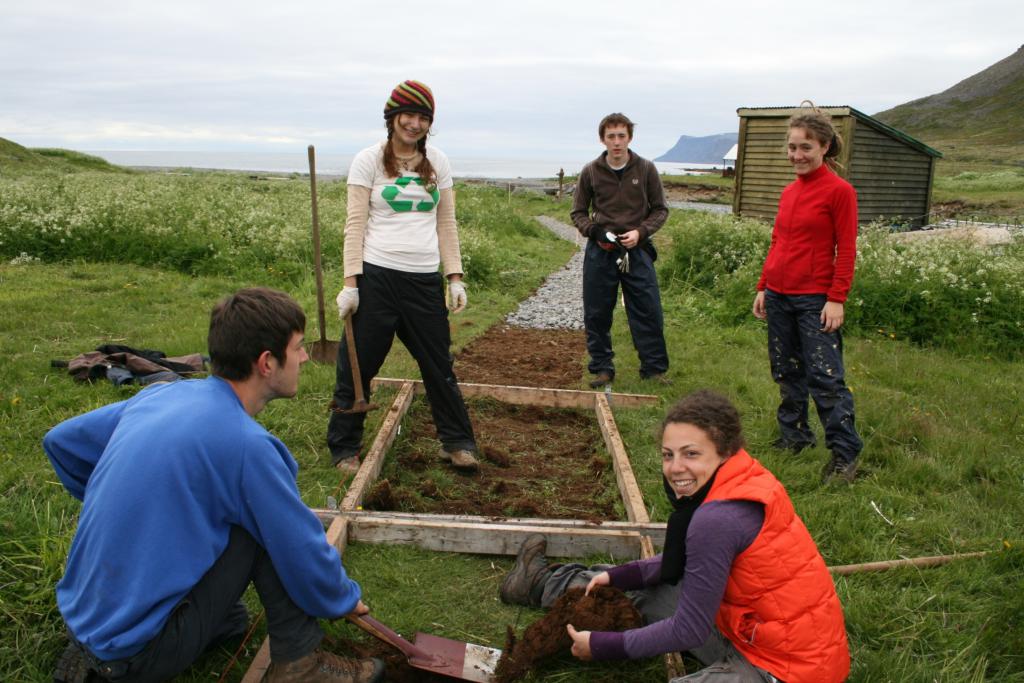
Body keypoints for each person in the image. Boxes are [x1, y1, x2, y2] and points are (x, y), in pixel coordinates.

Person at [46, 288, 384, 683]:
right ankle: (301, 666)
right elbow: (298, 545)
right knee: (263, 526)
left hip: (84, 620)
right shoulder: (247, 447)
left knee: (243, 522)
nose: (305, 357)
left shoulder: (162, 395)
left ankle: (214, 621)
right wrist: (341, 598)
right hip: (135, 653)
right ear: (267, 362)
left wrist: (131, 506)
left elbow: (62, 443)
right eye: (297, 348)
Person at [499, 390, 850, 683]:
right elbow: (682, 564)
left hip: (787, 669)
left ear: (724, 450)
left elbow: (689, 629)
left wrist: (603, 646)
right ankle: (537, 583)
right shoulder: (741, 477)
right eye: (668, 455)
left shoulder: (719, 518)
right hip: (750, 629)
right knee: (643, 590)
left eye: (691, 454)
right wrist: (618, 577)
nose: (675, 468)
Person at [329, 79, 479, 473]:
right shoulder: (368, 160)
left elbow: (446, 223)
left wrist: (454, 276)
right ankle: (345, 448)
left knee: (438, 365)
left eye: (423, 117)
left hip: (423, 281)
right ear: (392, 117)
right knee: (358, 365)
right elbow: (354, 225)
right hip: (377, 279)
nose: (415, 124)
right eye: (408, 115)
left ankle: (457, 443)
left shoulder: (438, 163)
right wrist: (350, 284)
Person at [751, 102, 863, 483]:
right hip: (779, 295)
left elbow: (846, 249)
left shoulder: (840, 192)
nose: (796, 155)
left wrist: (837, 298)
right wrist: (763, 286)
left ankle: (845, 454)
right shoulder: (788, 192)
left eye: (805, 148)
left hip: (815, 299)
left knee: (825, 377)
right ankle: (795, 437)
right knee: (786, 370)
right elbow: (777, 241)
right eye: (792, 147)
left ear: (825, 147)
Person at [570, 112, 670, 389]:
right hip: (600, 251)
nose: (616, 142)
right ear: (602, 139)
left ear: (629, 138)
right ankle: (602, 368)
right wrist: (595, 232)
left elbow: (660, 210)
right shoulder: (591, 171)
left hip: (637, 250)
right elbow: (578, 212)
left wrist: (641, 232)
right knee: (597, 312)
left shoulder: (646, 169)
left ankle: (654, 369)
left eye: (621, 136)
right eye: (611, 136)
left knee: (648, 310)